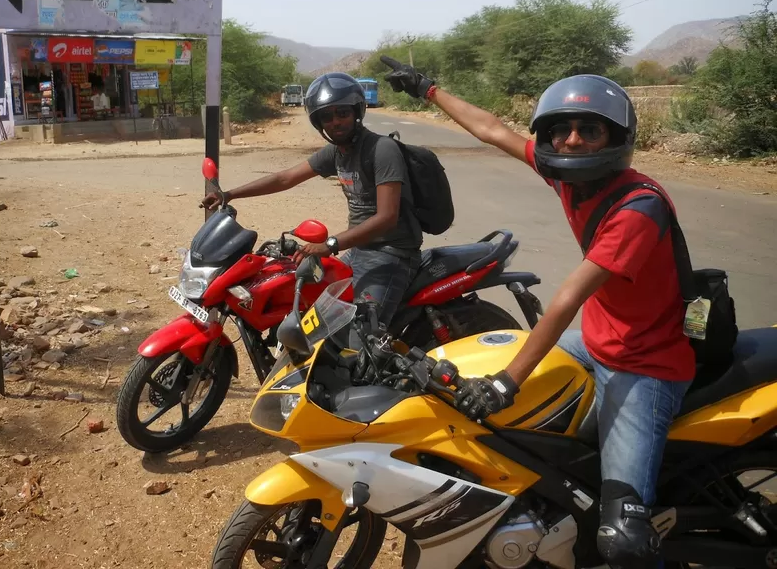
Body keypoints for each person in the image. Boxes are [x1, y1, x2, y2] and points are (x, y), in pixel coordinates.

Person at [383, 61, 694, 569]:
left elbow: (568, 296)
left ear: (614, 138)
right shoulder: (572, 180)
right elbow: (492, 129)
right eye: (560, 130)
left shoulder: (639, 207)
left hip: (646, 364)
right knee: (480, 398)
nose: (571, 141)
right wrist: (428, 89)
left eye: (588, 130)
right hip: (597, 338)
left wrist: (508, 381)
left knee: (624, 540)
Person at [200, 72, 423, 327]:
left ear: (357, 112)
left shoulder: (381, 149)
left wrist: (329, 245)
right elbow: (286, 178)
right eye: (327, 116)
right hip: (360, 249)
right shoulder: (337, 152)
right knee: (315, 308)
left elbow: (386, 218)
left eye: (343, 113)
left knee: (361, 332)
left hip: (391, 253)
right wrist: (229, 194)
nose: (336, 121)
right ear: (319, 123)